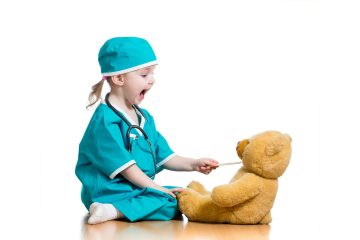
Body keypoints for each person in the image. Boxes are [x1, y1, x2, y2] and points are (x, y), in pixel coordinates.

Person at [75, 37, 219, 225]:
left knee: (181, 196)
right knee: (168, 199)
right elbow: (128, 169)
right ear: (119, 78)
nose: (152, 80)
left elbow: (165, 156)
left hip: (134, 189)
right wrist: (157, 189)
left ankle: (116, 210)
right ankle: (111, 209)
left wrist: (194, 164)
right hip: (108, 191)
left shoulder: (144, 118)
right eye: (144, 75)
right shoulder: (104, 120)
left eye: (152, 73)